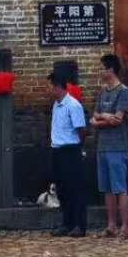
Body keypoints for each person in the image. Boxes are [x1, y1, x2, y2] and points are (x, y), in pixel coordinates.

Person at [91, 54, 128, 239]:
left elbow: (119, 119)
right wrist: (105, 118)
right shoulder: (102, 92)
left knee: (120, 187)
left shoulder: (123, 91)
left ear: (110, 70)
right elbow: (94, 116)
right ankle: (111, 225)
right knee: (107, 188)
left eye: (102, 68)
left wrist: (103, 118)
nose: (100, 72)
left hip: (117, 145)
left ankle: (125, 227)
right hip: (102, 145)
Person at [46, 72, 88, 238]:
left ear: (58, 87)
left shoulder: (73, 105)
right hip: (57, 150)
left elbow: (81, 130)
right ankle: (67, 222)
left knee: (75, 189)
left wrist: (79, 148)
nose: (49, 91)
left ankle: (79, 224)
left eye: (51, 87)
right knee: (62, 189)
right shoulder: (56, 105)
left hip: (70, 150)